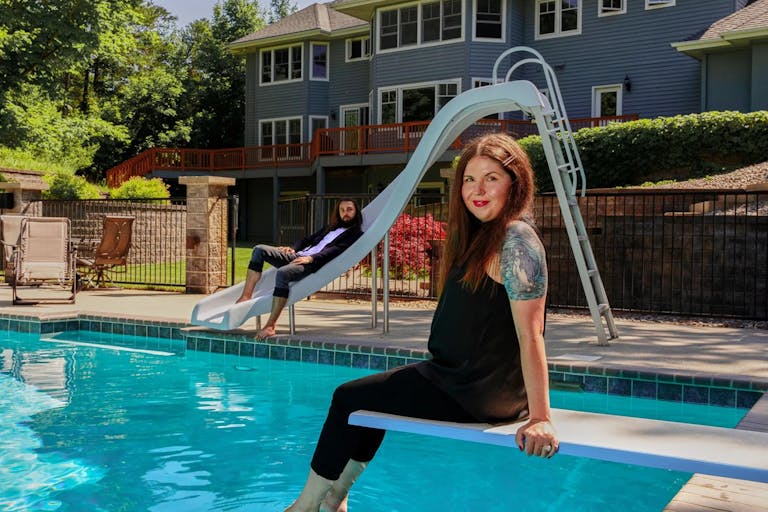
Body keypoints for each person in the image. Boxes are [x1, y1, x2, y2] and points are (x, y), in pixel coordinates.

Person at [284, 133, 558, 512]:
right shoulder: (484, 236)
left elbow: (531, 335)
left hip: (471, 389)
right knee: (370, 404)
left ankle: (306, 506)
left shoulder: (515, 240)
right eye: (469, 179)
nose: (477, 189)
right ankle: (335, 499)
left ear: (516, 183)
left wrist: (541, 416)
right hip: (458, 378)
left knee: (348, 398)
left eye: (491, 178)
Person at [236, 199, 363, 339]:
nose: (345, 213)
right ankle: (245, 296)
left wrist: (311, 258)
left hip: (312, 263)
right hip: (298, 256)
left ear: (356, 211)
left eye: (349, 209)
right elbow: (307, 240)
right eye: (342, 210)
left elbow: (336, 250)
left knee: (282, 273)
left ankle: (270, 326)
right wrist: (292, 249)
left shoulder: (355, 234)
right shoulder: (330, 228)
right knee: (259, 250)